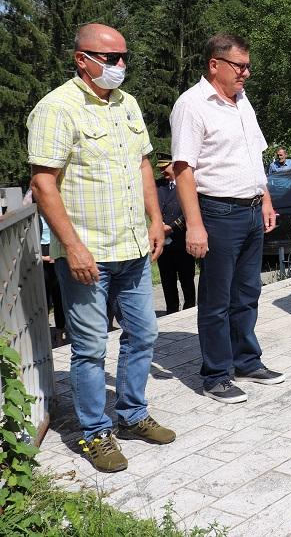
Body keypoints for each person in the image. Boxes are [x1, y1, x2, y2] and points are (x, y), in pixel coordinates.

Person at [27, 23, 175, 473]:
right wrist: (71, 247)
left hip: (132, 247)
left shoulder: (127, 104)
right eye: (111, 58)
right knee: (90, 348)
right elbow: (43, 183)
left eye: (124, 56)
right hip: (87, 255)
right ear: (82, 60)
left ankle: (132, 414)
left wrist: (155, 220)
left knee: (143, 335)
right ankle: (95, 433)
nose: (120, 65)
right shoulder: (56, 108)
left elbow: (144, 164)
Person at [170, 33, 284, 404]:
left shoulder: (242, 101)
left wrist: (266, 200)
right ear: (214, 64)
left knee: (248, 292)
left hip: (251, 209)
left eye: (248, 66)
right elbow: (183, 169)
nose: (246, 73)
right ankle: (216, 375)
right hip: (218, 212)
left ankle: (247, 361)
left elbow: (255, 158)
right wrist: (195, 224)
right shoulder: (192, 105)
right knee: (216, 299)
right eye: (240, 66)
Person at [23, 191, 66, 347]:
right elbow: (26, 243)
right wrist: (44, 257)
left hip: (56, 254)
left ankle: (60, 333)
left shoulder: (55, 213)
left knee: (59, 298)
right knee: (43, 299)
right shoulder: (33, 217)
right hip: (41, 254)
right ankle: (44, 335)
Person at [155, 158, 195, 314]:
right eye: (160, 168)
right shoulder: (158, 185)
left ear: (173, 165)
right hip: (163, 242)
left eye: (165, 167)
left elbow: (190, 211)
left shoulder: (186, 183)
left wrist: (171, 227)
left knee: (186, 278)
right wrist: (158, 224)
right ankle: (171, 311)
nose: (162, 171)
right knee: (167, 279)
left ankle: (190, 309)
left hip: (182, 239)